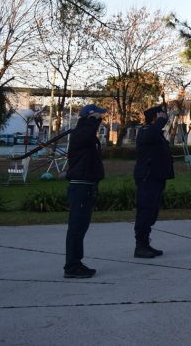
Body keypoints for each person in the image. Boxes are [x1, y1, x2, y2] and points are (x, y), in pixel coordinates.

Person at [64, 104, 108, 279]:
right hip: (80, 186)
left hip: (87, 185)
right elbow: (86, 134)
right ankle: (72, 266)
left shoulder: (87, 134)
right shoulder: (81, 133)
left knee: (81, 227)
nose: (101, 119)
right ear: (90, 117)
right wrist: (91, 121)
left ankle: (76, 262)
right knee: (76, 227)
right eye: (98, 115)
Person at [134, 104, 175, 258]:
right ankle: (140, 246)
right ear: (155, 118)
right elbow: (150, 134)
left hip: (156, 177)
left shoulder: (156, 133)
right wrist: (159, 122)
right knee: (145, 211)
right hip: (147, 177)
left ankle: (146, 243)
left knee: (152, 211)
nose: (165, 118)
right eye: (161, 115)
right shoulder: (146, 130)